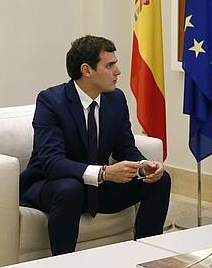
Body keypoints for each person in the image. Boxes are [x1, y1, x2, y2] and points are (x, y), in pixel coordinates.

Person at [19, 35, 171, 255]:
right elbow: (52, 163)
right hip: (53, 185)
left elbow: (125, 147)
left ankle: (146, 257)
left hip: (97, 189)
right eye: (110, 65)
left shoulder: (115, 99)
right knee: (69, 189)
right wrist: (104, 173)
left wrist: (143, 165)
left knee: (159, 180)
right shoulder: (51, 101)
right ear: (86, 70)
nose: (118, 71)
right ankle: (64, 263)